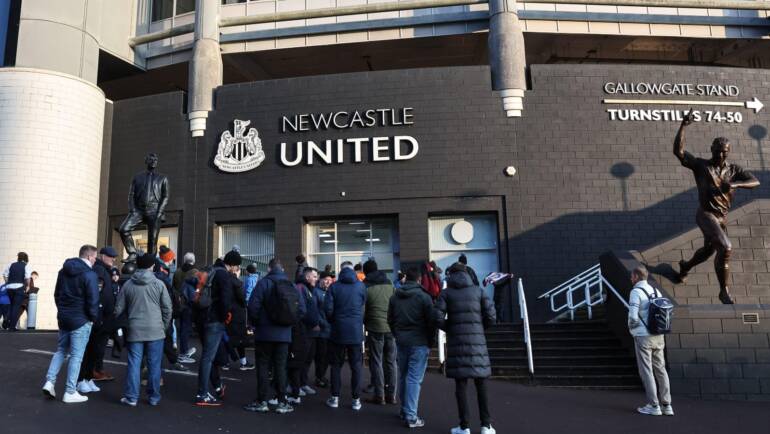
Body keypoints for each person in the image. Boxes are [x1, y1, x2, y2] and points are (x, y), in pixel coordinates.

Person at [674, 111, 760, 304]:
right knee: (726, 247)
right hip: (705, 214)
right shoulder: (701, 166)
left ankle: (685, 266)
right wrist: (683, 126)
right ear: (712, 149)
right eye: (718, 150)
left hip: (722, 217)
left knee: (709, 251)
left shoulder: (734, 170)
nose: (721, 154)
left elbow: (756, 182)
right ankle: (724, 292)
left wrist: (736, 185)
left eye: (725, 151)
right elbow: (679, 153)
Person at [434, 262, 497, 434]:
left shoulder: (446, 293)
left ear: (450, 274)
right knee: (481, 385)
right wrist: (479, 328)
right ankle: (486, 426)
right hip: (478, 344)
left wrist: (451, 327)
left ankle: (464, 427)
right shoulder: (478, 291)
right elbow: (491, 316)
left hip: (457, 344)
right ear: (467, 273)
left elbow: (437, 317)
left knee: (461, 387)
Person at [42, 245, 99, 404]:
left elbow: (57, 294)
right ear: (88, 257)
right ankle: (70, 391)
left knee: (60, 350)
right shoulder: (90, 274)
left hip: (64, 317)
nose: (95, 260)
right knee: (76, 356)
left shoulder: (63, 271)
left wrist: (62, 310)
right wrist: (93, 318)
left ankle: (50, 382)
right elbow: (93, 300)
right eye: (94, 257)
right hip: (81, 320)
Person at [114, 253, 172, 407]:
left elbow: (118, 308)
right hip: (155, 329)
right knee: (154, 364)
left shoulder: (128, 284)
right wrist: (163, 326)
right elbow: (167, 308)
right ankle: (154, 397)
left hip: (134, 329)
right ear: (152, 266)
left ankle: (131, 397)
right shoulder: (159, 284)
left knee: (134, 363)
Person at [244, 258, 296, 414]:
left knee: (263, 366)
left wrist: (258, 323)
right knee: (281, 367)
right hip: (284, 334)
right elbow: (301, 309)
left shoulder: (263, 283)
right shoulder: (290, 285)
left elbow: (253, 306)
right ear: (283, 269)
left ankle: (262, 401)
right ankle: (282, 401)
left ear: (269, 268)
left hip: (264, 333)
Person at [388, 266, 435, 428]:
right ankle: (411, 415)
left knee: (404, 376)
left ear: (405, 278)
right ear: (419, 279)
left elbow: (390, 320)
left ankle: (404, 410)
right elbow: (431, 322)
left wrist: (397, 334)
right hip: (419, 341)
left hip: (402, 340)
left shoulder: (395, 297)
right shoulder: (424, 297)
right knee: (414, 378)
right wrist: (431, 341)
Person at [195, 250, 240, 406]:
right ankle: (202, 394)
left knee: (209, 356)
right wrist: (224, 316)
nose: (236, 269)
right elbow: (226, 300)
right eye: (237, 266)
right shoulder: (224, 275)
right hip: (214, 320)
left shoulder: (210, 270)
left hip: (201, 318)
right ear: (233, 265)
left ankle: (217, 385)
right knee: (208, 357)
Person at [628, 265, 674, 416]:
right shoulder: (656, 291)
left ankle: (654, 405)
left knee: (646, 371)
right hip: (659, 335)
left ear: (636, 277)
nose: (630, 279)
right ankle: (667, 405)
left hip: (643, 336)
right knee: (661, 369)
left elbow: (633, 316)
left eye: (632, 276)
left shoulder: (636, 292)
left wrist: (632, 328)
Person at [324, 261, 367, 411]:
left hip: (338, 332)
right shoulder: (361, 286)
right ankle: (356, 400)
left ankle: (335, 397)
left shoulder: (334, 287)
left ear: (341, 270)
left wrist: (334, 321)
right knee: (356, 366)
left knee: (336, 365)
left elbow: (328, 309)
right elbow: (363, 305)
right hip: (355, 331)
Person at [362, 259, 397, 405]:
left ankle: (379, 395)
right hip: (391, 328)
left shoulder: (366, 287)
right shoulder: (390, 284)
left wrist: (365, 323)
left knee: (376, 361)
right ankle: (392, 396)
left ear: (366, 272)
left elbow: (363, 310)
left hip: (375, 327)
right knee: (391, 362)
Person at [87, 247, 120, 383]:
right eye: (110, 256)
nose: (113, 259)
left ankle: (97, 370)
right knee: (98, 345)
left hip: (106, 314)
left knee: (101, 344)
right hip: (101, 315)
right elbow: (98, 293)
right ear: (102, 256)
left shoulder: (105, 269)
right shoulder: (99, 269)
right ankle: (94, 371)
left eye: (114, 256)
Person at [288, 267, 320, 403]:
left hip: (309, 330)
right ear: (307, 277)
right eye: (314, 276)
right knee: (299, 359)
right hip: (302, 331)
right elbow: (301, 310)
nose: (316, 279)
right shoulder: (301, 288)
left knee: (307, 359)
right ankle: (294, 386)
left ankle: (302, 383)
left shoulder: (309, 289)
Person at [310, 271, 333, 388]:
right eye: (326, 279)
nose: (328, 281)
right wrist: (322, 323)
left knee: (328, 356)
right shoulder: (316, 292)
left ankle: (321, 376)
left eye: (330, 279)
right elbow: (314, 310)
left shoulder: (331, 291)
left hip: (330, 330)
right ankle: (319, 377)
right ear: (320, 280)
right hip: (321, 330)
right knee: (321, 356)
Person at [174, 253, 198, 363]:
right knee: (186, 329)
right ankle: (183, 352)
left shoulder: (178, 271)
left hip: (179, 303)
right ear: (193, 260)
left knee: (182, 327)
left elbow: (174, 286)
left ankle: (184, 350)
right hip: (189, 303)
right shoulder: (195, 272)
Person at [3, 252, 32, 331]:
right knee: (16, 307)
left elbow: (5, 275)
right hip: (19, 287)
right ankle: (12, 327)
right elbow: (27, 278)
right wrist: (28, 286)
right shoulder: (26, 266)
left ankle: (6, 318)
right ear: (26, 259)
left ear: (18, 257)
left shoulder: (11, 264)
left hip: (9, 287)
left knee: (12, 305)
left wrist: (7, 283)